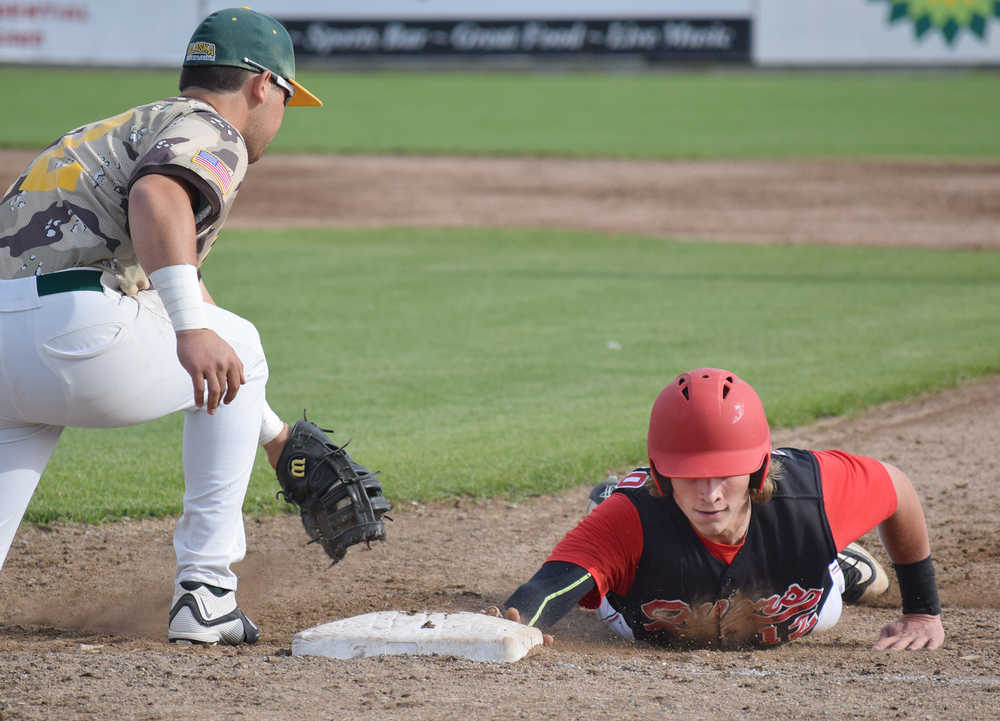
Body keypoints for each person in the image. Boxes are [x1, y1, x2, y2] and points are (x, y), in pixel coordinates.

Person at [0, 8, 326, 645]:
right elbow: (158, 199)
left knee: (220, 336)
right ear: (263, 86)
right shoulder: (212, 128)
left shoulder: (114, 129)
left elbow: (177, 289)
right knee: (240, 341)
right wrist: (192, 332)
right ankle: (206, 592)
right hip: (73, 334)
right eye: (286, 98)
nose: (281, 116)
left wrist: (272, 433)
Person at [492, 368, 944, 651]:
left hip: (808, 596)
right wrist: (516, 622)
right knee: (611, 535)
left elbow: (897, 488)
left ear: (759, 467)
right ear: (660, 472)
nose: (710, 494)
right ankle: (609, 496)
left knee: (828, 581)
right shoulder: (630, 521)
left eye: (726, 473)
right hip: (635, 598)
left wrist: (923, 612)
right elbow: (551, 586)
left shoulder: (814, 495)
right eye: (690, 474)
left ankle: (836, 560)